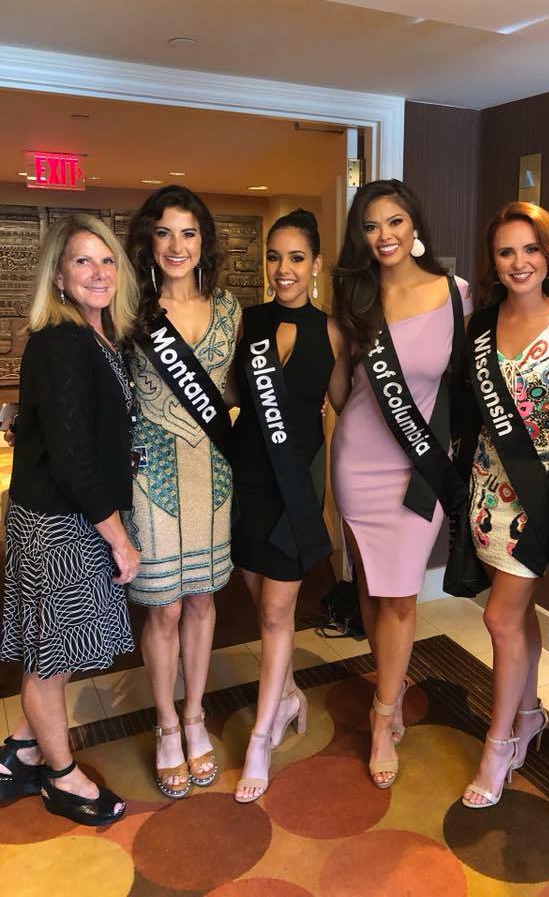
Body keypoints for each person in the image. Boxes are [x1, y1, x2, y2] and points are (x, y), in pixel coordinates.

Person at [332, 179, 472, 789]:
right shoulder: (353, 298)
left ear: (416, 227)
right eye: (370, 225)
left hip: (420, 469)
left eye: (394, 222)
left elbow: (468, 382)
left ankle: (383, 713)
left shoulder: (456, 294)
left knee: (402, 595)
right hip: (359, 461)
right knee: (370, 588)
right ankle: (387, 683)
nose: (384, 235)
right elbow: (341, 389)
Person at [0, 214, 140, 825]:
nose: (98, 272)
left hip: (73, 516)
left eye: (106, 259)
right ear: (58, 276)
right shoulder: (61, 341)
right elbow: (72, 452)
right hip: (56, 523)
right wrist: (120, 538)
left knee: (55, 648)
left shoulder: (99, 337)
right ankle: (60, 779)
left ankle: (27, 747)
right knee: (48, 658)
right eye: (82, 261)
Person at [461, 202, 549, 809]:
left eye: (530, 249)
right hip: (487, 491)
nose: (519, 263)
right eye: (506, 252)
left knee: (498, 619)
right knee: (513, 622)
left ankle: (499, 744)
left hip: (541, 502)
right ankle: (531, 713)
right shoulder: (481, 325)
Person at [124, 185, 241, 798]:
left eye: (188, 233)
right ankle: (167, 726)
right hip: (151, 474)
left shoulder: (230, 310)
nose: (176, 245)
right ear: (148, 239)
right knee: (163, 604)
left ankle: (195, 715)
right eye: (164, 232)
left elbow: (243, 390)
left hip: (212, 472)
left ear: (204, 242)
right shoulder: (129, 309)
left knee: (200, 599)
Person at [231, 209, 350, 803]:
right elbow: (224, 395)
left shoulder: (332, 334)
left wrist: (331, 504)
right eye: (274, 257)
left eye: (296, 258)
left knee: (279, 614)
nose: (284, 269)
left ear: (316, 265)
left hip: (296, 491)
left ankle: (261, 734)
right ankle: (289, 695)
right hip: (246, 483)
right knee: (261, 607)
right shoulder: (243, 323)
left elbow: (343, 415)